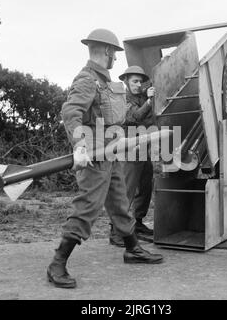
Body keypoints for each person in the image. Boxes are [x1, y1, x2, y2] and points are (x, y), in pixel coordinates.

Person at [47, 29, 163, 289]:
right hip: (94, 157)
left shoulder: (104, 82)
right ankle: (57, 262)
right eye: (115, 55)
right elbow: (71, 112)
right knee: (88, 206)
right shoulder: (88, 79)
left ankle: (132, 249)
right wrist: (79, 146)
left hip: (110, 154)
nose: (115, 60)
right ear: (109, 52)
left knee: (120, 203)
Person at [109, 66, 155, 247]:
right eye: (134, 81)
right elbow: (133, 117)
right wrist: (150, 101)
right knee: (127, 190)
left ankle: (137, 223)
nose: (137, 85)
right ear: (126, 82)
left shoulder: (143, 98)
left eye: (140, 82)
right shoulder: (124, 98)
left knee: (145, 187)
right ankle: (115, 232)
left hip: (143, 148)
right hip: (129, 148)